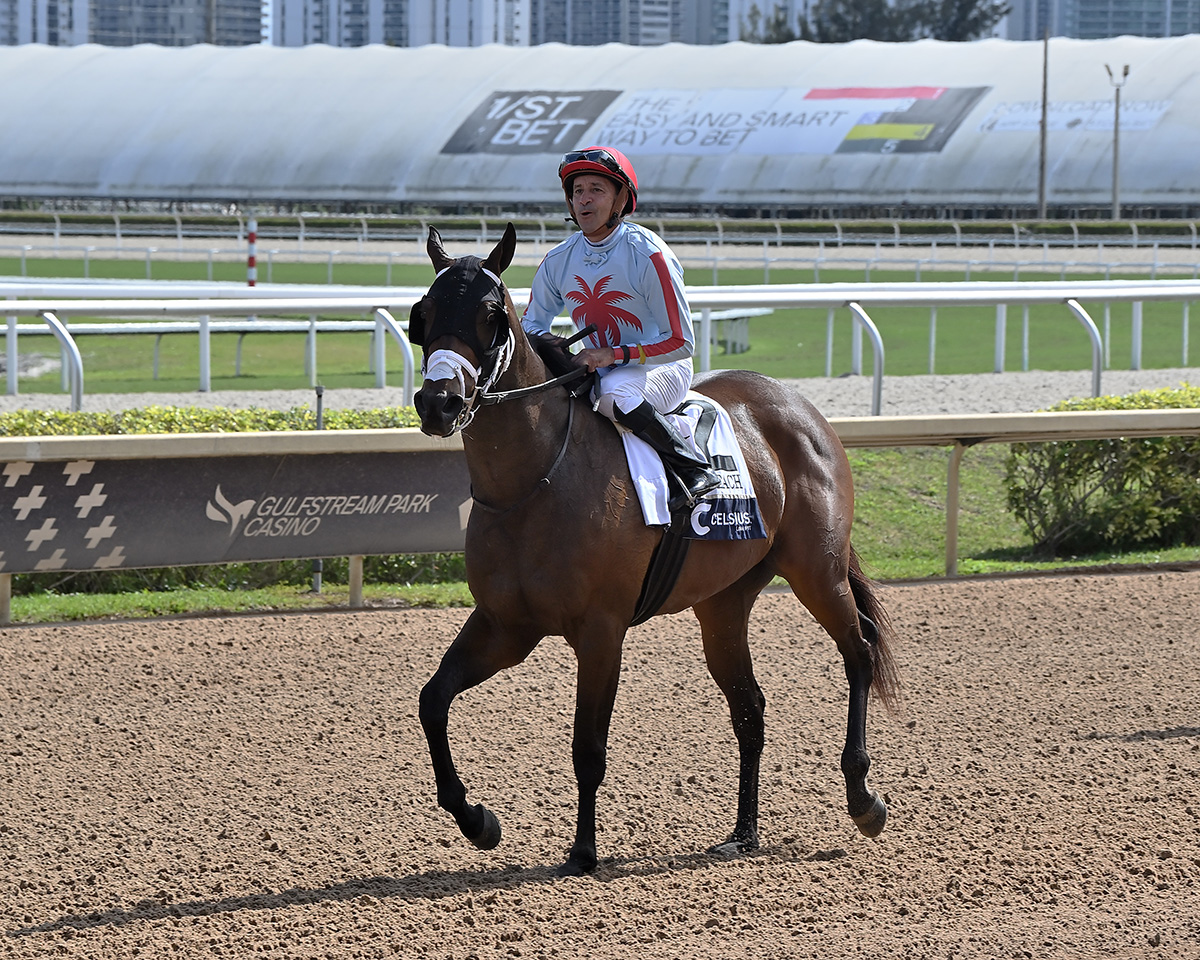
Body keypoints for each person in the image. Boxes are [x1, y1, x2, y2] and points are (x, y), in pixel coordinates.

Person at [521, 146, 720, 511]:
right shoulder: (558, 259)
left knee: (614, 395)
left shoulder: (648, 254)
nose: (584, 199)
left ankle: (691, 468)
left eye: (596, 189)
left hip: (661, 367)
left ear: (621, 199)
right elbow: (530, 326)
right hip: (596, 368)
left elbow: (681, 342)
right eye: (577, 190)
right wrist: (552, 346)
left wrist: (612, 354)